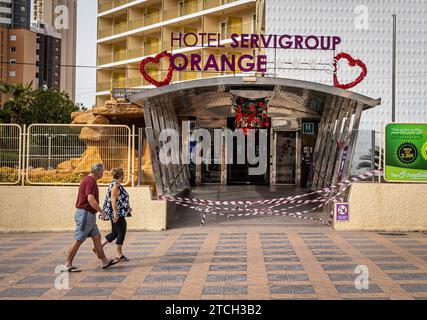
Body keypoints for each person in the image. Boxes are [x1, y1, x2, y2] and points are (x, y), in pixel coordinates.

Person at [64, 163, 118, 272]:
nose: (103, 173)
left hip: (89, 215)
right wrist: (101, 211)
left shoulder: (89, 180)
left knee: (97, 237)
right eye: (102, 171)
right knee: (79, 239)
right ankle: (67, 264)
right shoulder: (90, 181)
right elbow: (90, 199)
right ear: (96, 171)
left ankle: (104, 261)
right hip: (85, 215)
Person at [98, 168, 131, 262]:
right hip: (117, 213)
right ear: (120, 176)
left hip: (119, 212)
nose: (124, 176)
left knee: (115, 233)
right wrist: (116, 214)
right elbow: (113, 200)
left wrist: (127, 207)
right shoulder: (115, 186)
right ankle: (119, 254)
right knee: (121, 231)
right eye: (123, 175)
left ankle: (98, 248)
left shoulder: (116, 184)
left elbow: (119, 199)